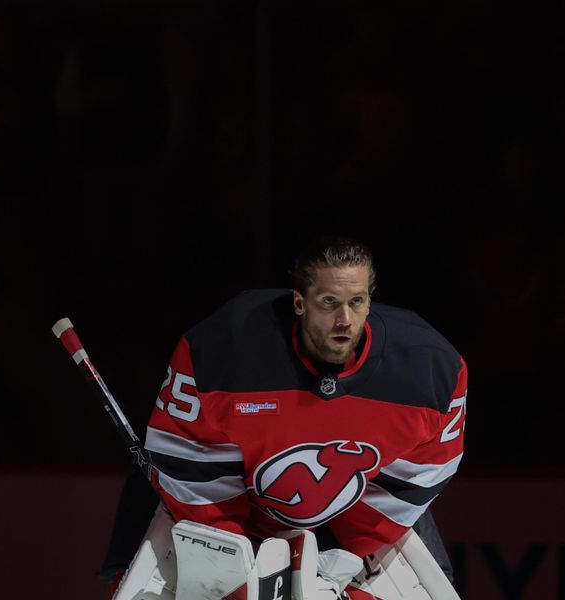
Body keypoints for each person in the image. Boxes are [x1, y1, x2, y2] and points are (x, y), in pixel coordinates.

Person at [101, 235, 467, 597]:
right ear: (299, 303)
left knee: (435, 584)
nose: (344, 319)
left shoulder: (431, 368)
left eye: (357, 302)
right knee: (140, 563)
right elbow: (186, 458)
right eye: (329, 302)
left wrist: (343, 555)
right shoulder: (223, 350)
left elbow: (421, 473)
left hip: (361, 514)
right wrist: (235, 556)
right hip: (225, 501)